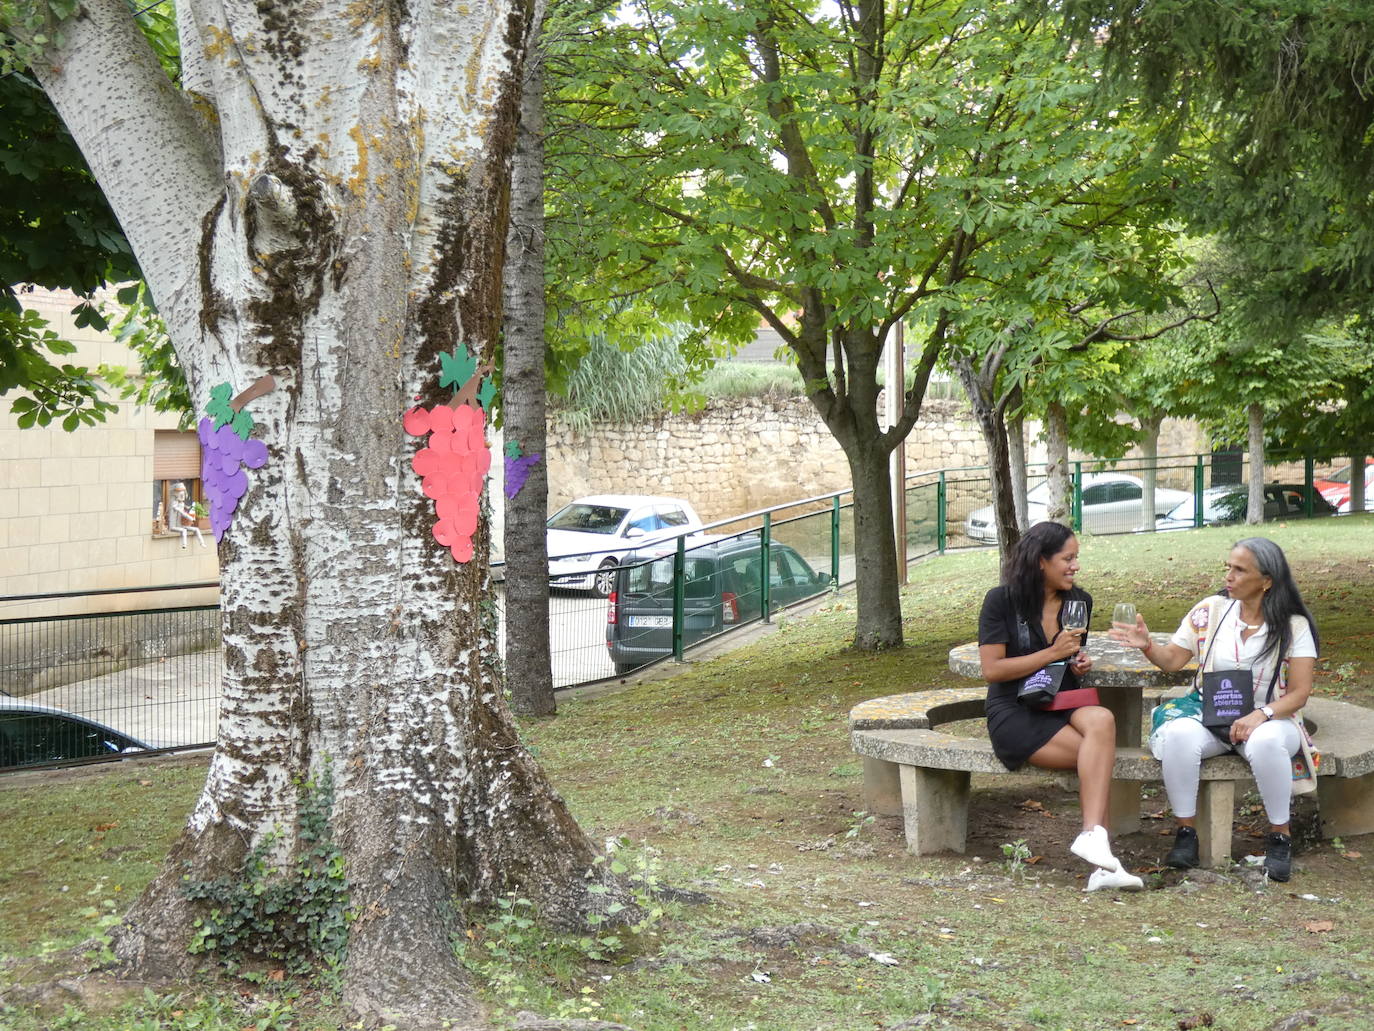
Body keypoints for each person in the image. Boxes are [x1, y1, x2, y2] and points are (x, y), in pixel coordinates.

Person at [1109, 537, 1318, 881]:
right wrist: (1147, 645)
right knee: (1178, 735)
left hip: (1270, 719)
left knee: (1266, 743)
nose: (1229, 576)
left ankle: (1281, 838)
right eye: (1228, 567)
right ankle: (1186, 834)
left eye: (1239, 570)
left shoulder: (1293, 626)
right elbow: (1173, 659)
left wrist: (1259, 716)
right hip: (1211, 715)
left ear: (1267, 580)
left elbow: (1299, 693)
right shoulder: (1211, 611)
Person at [978, 521, 1143, 891]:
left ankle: (1093, 837)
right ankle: (1104, 862)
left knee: (1102, 720)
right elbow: (993, 670)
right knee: (1099, 754)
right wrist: (1051, 652)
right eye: (1067, 559)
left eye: (1076, 558)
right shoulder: (1001, 601)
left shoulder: (1079, 602)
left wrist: (1074, 663)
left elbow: (1066, 660)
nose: (1075, 566)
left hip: (1061, 700)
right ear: (1040, 561)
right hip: (1015, 709)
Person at [168, 482, 208, 549]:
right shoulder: (174, 504)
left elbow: (185, 509)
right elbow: (181, 512)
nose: (182, 496)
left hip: (180, 524)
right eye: (181, 495)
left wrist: (192, 508)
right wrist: (190, 517)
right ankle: (184, 545)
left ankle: (202, 543)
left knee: (196, 529)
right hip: (173, 526)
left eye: (183, 494)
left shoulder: (181, 504)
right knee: (184, 530)